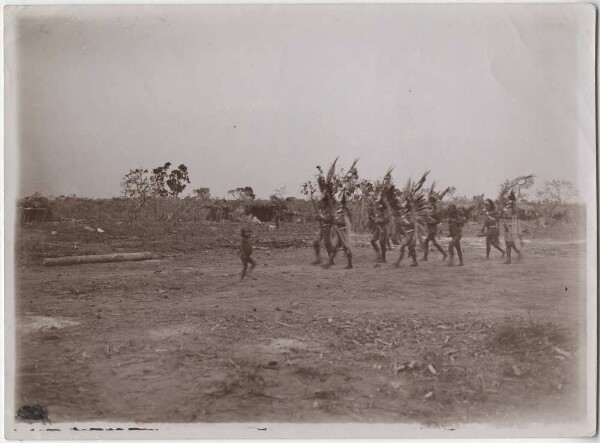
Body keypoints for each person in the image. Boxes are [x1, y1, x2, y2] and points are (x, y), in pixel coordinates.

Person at [423, 195, 447, 261]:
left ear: (432, 203)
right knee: (435, 244)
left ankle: (425, 257)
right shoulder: (432, 210)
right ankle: (444, 254)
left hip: (433, 230)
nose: (428, 204)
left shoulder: (436, 211)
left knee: (426, 241)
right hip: (431, 229)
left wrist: (430, 220)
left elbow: (439, 220)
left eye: (429, 202)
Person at [312, 199, 334, 265]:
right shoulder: (320, 210)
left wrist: (321, 217)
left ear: (324, 203)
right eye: (319, 203)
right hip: (321, 228)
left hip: (327, 227)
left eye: (321, 203)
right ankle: (318, 259)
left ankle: (331, 260)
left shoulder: (328, 210)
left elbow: (329, 219)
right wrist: (317, 217)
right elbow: (317, 219)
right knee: (315, 242)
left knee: (327, 243)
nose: (320, 204)